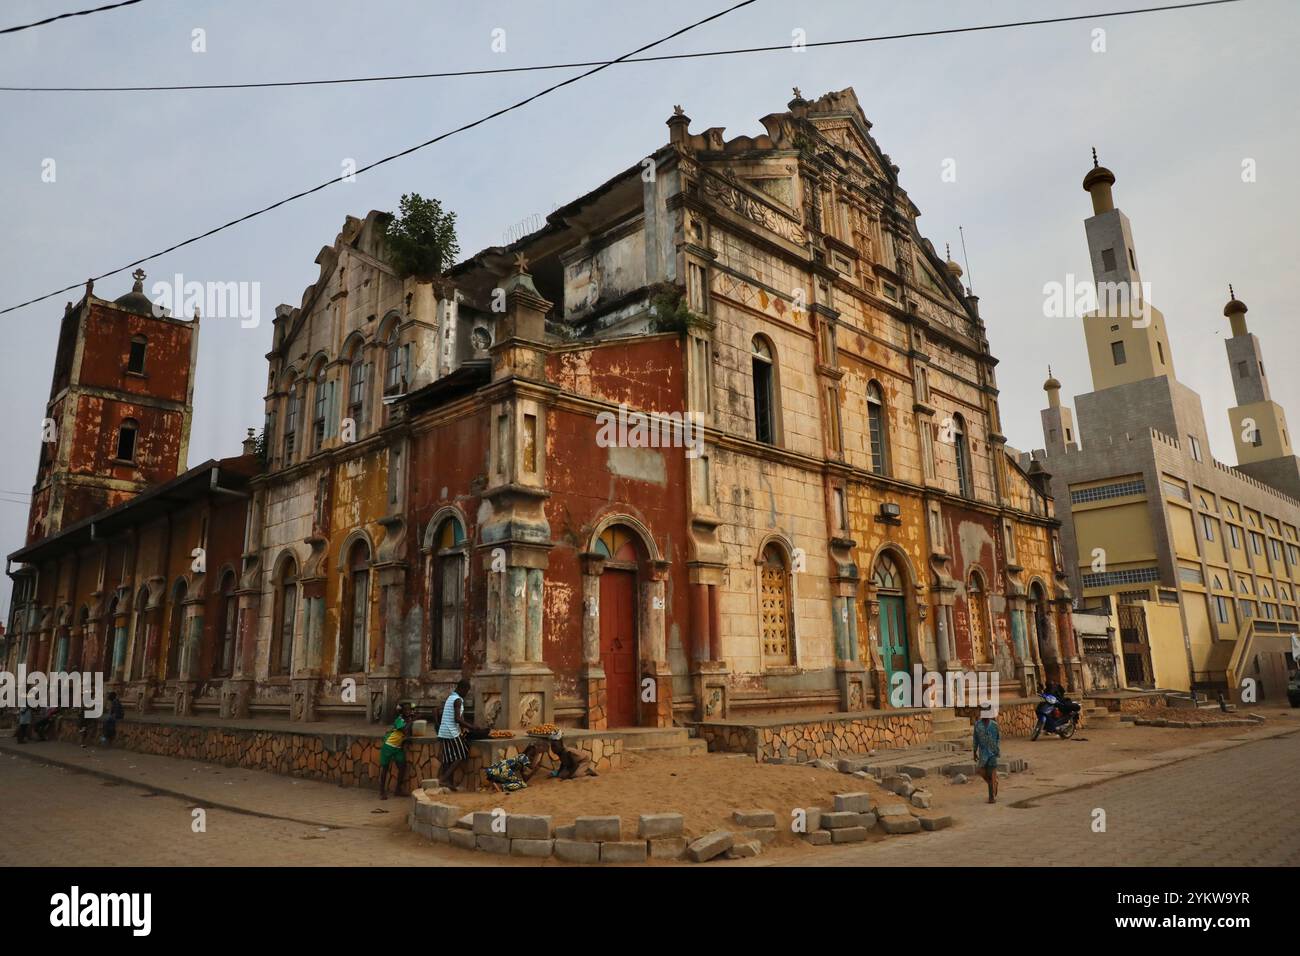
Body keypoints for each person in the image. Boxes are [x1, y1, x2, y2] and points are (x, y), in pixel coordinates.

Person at [436, 679, 483, 792]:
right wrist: (472, 727)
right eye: (467, 691)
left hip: (444, 731)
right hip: (451, 732)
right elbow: (457, 719)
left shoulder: (451, 697)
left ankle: (449, 783)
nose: (467, 693)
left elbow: (459, 717)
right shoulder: (457, 700)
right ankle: (444, 779)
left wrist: (465, 727)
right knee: (462, 754)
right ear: (462, 688)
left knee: (449, 758)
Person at [378, 703, 413, 800]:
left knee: (402, 766)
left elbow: (408, 735)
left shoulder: (408, 720)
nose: (408, 711)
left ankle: (398, 789)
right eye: (406, 710)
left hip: (397, 747)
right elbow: (405, 731)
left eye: (409, 710)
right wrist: (412, 721)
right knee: (385, 768)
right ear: (402, 712)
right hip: (388, 746)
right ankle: (381, 791)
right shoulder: (400, 720)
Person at [973, 714, 1001, 804]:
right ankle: (994, 783)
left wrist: (996, 748)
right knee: (981, 772)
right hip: (983, 753)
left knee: (991, 773)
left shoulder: (994, 725)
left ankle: (991, 798)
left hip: (993, 753)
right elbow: (975, 739)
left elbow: (998, 737)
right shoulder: (977, 725)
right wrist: (974, 751)